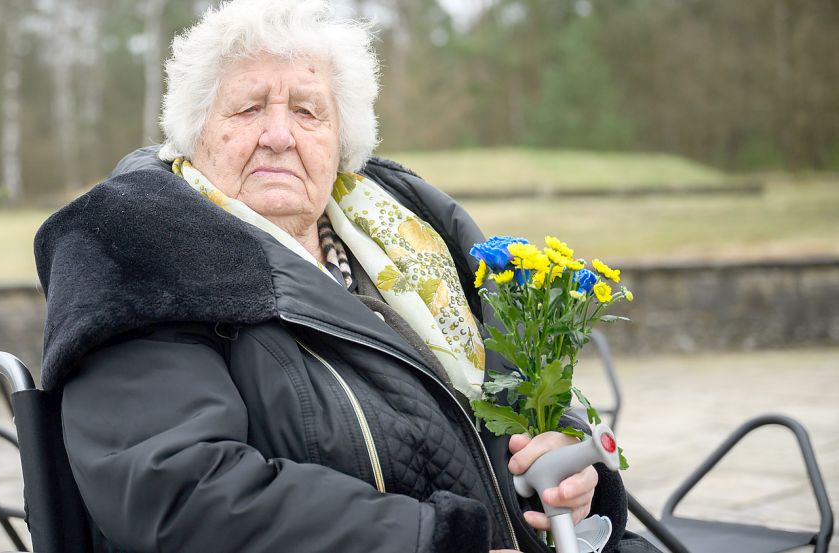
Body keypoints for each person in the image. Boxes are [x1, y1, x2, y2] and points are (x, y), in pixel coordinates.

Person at [34, 1, 657, 551]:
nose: (278, 135)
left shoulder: (409, 226)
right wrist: (434, 542)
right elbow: (176, 491)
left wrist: (571, 473)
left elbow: (518, 383)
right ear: (193, 134)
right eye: (248, 108)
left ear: (342, 142)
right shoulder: (139, 248)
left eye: (309, 112)